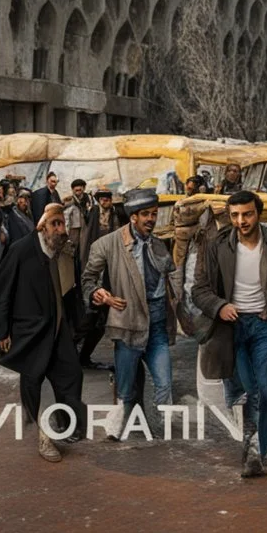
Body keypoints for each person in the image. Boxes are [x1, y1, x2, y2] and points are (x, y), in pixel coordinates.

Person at [193, 190, 267, 477]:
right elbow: (199, 290)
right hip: (231, 329)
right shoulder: (217, 245)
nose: (241, 221)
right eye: (234, 215)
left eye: (247, 214)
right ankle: (253, 451)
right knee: (251, 391)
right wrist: (220, 306)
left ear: (258, 213)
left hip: (263, 326)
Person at [0, 203, 87, 462]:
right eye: (55, 224)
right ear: (42, 226)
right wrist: (1, 333)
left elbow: (71, 291)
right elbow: (1, 294)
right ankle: (43, 437)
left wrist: (77, 325)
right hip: (30, 333)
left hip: (58, 331)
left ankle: (65, 424)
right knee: (33, 384)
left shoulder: (63, 252)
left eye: (63, 224)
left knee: (71, 375)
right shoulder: (21, 250)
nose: (61, 230)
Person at [81, 188, 181, 435]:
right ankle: (117, 424)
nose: (151, 219)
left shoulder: (159, 245)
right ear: (133, 216)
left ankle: (160, 430)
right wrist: (98, 294)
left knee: (165, 384)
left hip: (157, 326)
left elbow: (173, 279)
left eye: (154, 214)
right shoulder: (107, 244)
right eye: (145, 214)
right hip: (127, 325)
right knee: (126, 390)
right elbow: (88, 279)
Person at [73, 189, 130, 370]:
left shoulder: (117, 214)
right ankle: (71, 356)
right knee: (89, 318)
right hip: (95, 268)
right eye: (102, 198)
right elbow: (84, 237)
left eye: (108, 198)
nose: (105, 201)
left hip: (111, 269)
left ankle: (82, 357)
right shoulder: (93, 213)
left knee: (98, 322)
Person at [64, 179, 91, 249]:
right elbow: (66, 217)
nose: (78, 192)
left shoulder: (89, 198)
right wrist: (66, 232)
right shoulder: (70, 201)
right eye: (76, 190)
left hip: (86, 226)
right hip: (74, 228)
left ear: (84, 188)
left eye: (80, 190)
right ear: (73, 190)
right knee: (74, 247)